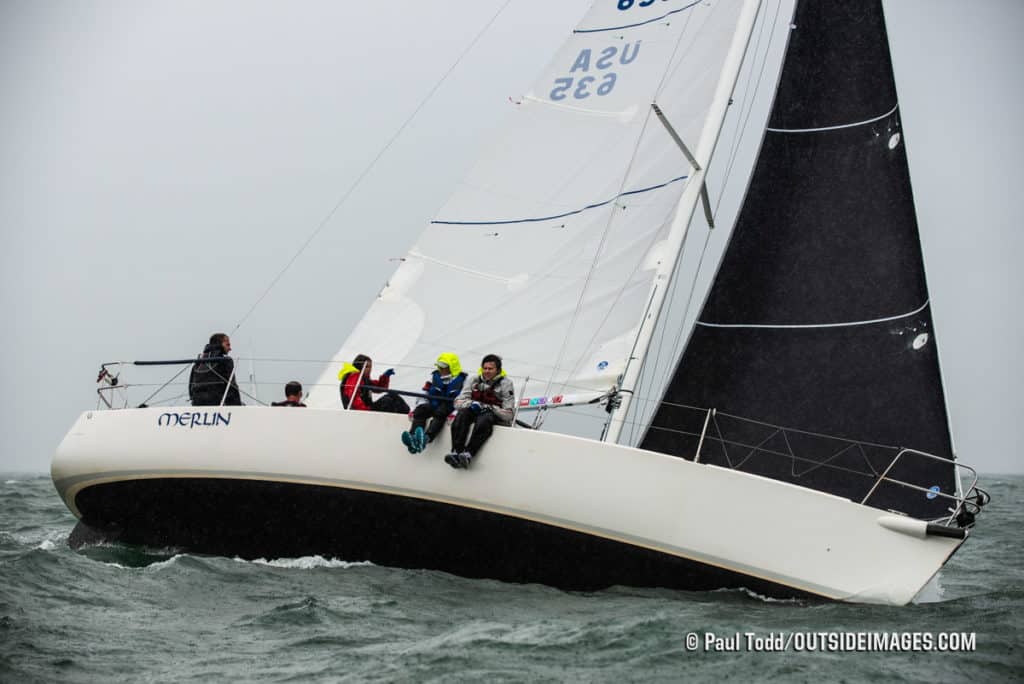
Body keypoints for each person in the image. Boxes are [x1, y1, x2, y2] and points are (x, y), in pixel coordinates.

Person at [445, 354, 514, 469]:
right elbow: (457, 403)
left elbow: (509, 414)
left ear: (498, 370)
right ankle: (456, 452)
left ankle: (468, 454)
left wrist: (491, 408)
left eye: (490, 369)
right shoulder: (473, 380)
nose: (487, 371)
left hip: (493, 415)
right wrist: (472, 404)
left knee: (485, 418)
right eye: (485, 368)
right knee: (462, 414)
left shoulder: (506, 384)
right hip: (474, 410)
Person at [401, 353, 467, 453]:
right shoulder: (433, 377)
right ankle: (413, 437)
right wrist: (415, 409)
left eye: (443, 367)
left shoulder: (464, 380)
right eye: (439, 366)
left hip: (450, 407)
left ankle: (426, 438)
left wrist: (455, 413)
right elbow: (424, 394)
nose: (440, 369)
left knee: (441, 412)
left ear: (451, 367)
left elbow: (465, 398)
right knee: (421, 410)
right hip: (434, 405)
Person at [338, 354, 409, 413]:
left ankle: (408, 414)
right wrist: (365, 411)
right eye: (367, 367)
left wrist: (385, 377)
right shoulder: (355, 376)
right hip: (362, 412)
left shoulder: (364, 379)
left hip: (366, 410)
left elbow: (378, 388)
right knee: (388, 400)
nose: (370, 369)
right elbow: (353, 396)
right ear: (360, 366)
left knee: (393, 396)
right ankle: (410, 416)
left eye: (370, 367)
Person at [189, 332, 243, 406]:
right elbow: (232, 387)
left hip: (197, 404)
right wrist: (237, 406)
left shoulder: (198, 363)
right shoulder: (225, 361)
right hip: (218, 403)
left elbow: (191, 387)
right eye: (228, 345)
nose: (230, 348)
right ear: (219, 344)